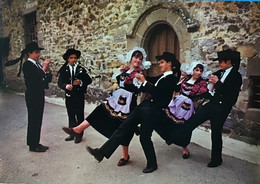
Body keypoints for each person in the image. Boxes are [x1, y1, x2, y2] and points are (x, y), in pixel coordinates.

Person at [86, 51, 181, 173]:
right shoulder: (161, 76)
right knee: (123, 127)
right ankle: (101, 153)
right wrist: (134, 73)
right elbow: (149, 79)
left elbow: (158, 92)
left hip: (154, 111)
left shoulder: (171, 79)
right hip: (144, 106)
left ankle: (152, 164)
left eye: (162, 62)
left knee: (144, 137)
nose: (159, 64)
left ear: (169, 63)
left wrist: (144, 81)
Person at [62, 47, 151, 166]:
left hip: (128, 103)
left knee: (124, 128)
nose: (138, 60)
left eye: (140, 58)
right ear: (131, 58)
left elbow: (141, 88)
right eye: (136, 57)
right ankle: (78, 129)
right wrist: (121, 72)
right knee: (100, 111)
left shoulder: (139, 73)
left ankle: (125, 156)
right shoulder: (126, 71)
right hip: (116, 100)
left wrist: (141, 80)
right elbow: (120, 82)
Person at [169, 49, 242, 168]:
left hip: (223, 108)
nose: (219, 64)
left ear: (228, 61)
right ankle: (174, 137)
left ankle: (216, 159)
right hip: (212, 104)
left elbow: (231, 96)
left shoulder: (236, 76)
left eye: (221, 61)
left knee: (216, 131)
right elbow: (206, 84)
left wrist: (218, 83)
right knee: (192, 121)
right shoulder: (219, 72)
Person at [138, 61, 211, 172]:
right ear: (192, 70)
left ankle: (184, 147)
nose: (198, 73)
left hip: (187, 106)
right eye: (196, 70)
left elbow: (204, 93)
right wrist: (181, 78)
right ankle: (169, 136)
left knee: (184, 125)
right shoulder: (186, 79)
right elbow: (176, 88)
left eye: (200, 71)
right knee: (169, 120)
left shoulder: (201, 83)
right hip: (177, 103)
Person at [22, 42, 52, 152]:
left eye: (39, 52)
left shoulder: (37, 64)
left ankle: (36, 142)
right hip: (32, 95)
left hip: (39, 94)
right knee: (33, 119)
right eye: (36, 52)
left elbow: (47, 79)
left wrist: (46, 69)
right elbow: (34, 80)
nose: (38, 54)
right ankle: (32, 145)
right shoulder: (27, 65)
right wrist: (43, 68)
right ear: (29, 53)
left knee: (38, 119)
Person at [58, 49, 92, 143]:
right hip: (69, 96)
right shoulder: (64, 69)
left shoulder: (81, 69)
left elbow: (89, 80)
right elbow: (60, 83)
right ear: (67, 59)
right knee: (71, 114)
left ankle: (79, 134)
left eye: (75, 58)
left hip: (79, 95)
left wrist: (81, 82)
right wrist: (66, 86)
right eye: (71, 58)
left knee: (79, 115)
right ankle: (72, 133)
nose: (74, 60)